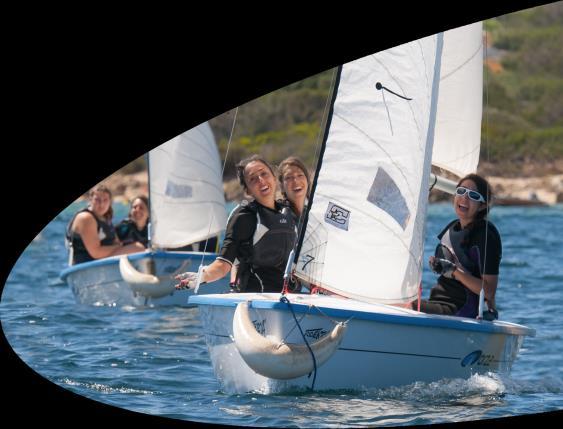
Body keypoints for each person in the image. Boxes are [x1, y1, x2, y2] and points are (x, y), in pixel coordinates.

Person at [175, 155, 297, 293]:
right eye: (253, 179)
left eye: (264, 174)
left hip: (292, 297)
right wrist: (202, 276)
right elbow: (223, 264)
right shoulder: (244, 217)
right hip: (254, 298)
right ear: (247, 191)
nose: (261, 180)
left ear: (274, 178)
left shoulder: (289, 213)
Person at [415, 173, 501, 320]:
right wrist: (440, 266)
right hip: (439, 301)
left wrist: (454, 271)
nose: (464, 198)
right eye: (461, 191)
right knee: (399, 302)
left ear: (482, 206)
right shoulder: (452, 228)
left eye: (473, 195)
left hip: (461, 310)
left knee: (406, 306)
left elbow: (488, 291)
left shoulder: (486, 236)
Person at [65, 185, 145, 265]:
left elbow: (116, 241)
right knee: (138, 248)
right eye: (97, 200)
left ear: (110, 202)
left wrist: (121, 246)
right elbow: (96, 252)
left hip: (99, 262)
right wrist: (121, 247)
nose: (101, 204)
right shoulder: (86, 218)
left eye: (105, 200)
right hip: (85, 265)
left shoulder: (105, 218)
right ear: (90, 200)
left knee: (139, 247)